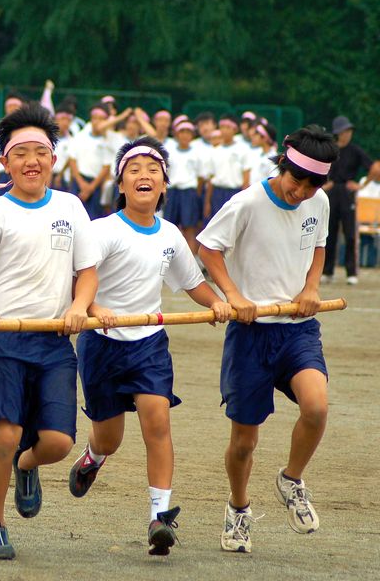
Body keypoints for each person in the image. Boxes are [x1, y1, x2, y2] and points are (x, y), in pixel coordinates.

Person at [0, 103, 100, 560]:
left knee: (57, 442)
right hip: (3, 339)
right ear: (6, 163)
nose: (32, 161)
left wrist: (78, 305)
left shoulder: (71, 207)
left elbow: (86, 272)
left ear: (54, 159)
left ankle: (26, 466)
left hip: (54, 340)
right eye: (21, 153)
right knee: (6, 433)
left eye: (41, 151)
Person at [68, 136, 230, 556]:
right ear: (121, 184)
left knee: (157, 419)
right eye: (134, 169)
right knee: (110, 437)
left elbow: (193, 282)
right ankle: (92, 458)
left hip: (149, 343)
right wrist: (96, 308)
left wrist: (219, 304)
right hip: (101, 343)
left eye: (153, 170)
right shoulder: (101, 230)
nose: (144, 175)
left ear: (163, 186)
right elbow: (78, 281)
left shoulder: (172, 235)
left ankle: (159, 517)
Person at [197, 125, 339, 554]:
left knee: (316, 406)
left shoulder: (320, 201)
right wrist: (233, 295)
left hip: (298, 330)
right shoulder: (247, 203)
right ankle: (238, 509)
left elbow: (318, 245)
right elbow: (208, 248)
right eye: (297, 181)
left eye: (313, 185)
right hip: (251, 334)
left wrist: (311, 288)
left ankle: (291, 479)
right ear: (283, 164)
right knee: (244, 440)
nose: (302, 192)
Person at [321, 115, 380, 285]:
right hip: (331, 193)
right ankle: (327, 271)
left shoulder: (355, 151)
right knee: (328, 233)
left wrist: (361, 186)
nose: (347, 134)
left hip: (347, 193)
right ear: (337, 133)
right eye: (344, 131)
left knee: (350, 234)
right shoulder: (330, 149)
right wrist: (324, 184)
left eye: (349, 131)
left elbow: (375, 167)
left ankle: (351, 272)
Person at [164, 120, 206, 252]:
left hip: (189, 192)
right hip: (173, 191)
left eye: (188, 132)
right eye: (182, 132)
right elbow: (165, 173)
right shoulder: (169, 151)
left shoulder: (197, 152)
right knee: (169, 228)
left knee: (189, 228)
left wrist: (195, 193)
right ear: (177, 134)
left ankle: (190, 264)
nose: (185, 135)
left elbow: (201, 176)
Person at [68, 103, 115, 220]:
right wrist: (81, 183)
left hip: (96, 185)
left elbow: (106, 166)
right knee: (74, 218)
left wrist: (91, 187)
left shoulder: (108, 140)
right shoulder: (80, 136)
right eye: (95, 118)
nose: (97, 122)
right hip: (79, 182)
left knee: (94, 219)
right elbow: (72, 159)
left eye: (101, 119)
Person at [203, 114, 251, 221]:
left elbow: (246, 178)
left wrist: (245, 201)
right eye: (222, 127)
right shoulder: (215, 151)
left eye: (228, 127)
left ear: (235, 129)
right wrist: (207, 202)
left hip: (235, 193)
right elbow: (211, 178)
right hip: (217, 193)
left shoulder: (243, 150)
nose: (224, 130)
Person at [0, 92, 26, 189]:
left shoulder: (29, 129)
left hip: (24, 174)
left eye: (15, 105)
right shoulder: (0, 129)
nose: (12, 108)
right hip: (4, 176)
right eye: (9, 106)